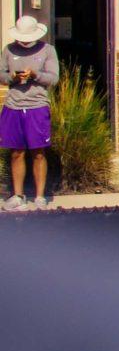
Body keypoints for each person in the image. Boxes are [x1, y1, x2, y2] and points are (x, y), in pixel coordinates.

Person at [3, 14, 58, 211]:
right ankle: (18, 195)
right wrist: (12, 77)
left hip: (37, 106)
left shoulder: (48, 50)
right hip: (13, 105)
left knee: (38, 152)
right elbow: (1, 74)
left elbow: (53, 78)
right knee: (16, 152)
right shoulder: (9, 49)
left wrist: (36, 75)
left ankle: (40, 196)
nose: (24, 43)